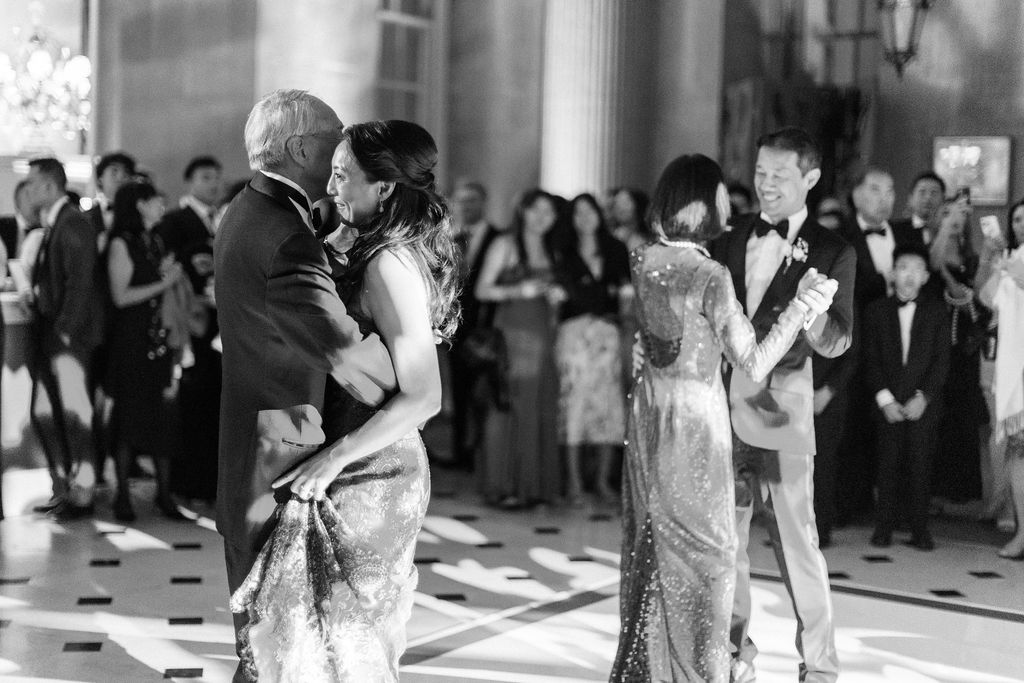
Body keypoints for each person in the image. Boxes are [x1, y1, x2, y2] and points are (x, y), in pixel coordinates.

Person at [231, 119, 454, 680]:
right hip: (340, 456)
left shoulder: (392, 263)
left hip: (375, 469)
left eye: (342, 176)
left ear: (383, 188)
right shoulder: (346, 240)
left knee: (347, 637)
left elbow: (425, 395)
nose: (331, 188)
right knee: (310, 634)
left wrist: (334, 459)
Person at [611, 153, 836, 681]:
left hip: (648, 416)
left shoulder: (642, 260)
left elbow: (653, 336)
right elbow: (753, 360)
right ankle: (701, 668)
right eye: (719, 193)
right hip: (695, 423)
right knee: (708, 554)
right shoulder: (710, 273)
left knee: (653, 542)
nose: (729, 201)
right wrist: (801, 307)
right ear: (701, 201)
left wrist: (641, 351)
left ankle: (650, 667)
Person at [213, 90, 395, 682]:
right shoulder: (284, 236)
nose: (344, 148)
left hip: (251, 442)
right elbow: (346, 356)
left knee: (272, 644)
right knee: (278, 648)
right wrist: (414, 367)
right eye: (334, 137)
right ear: (298, 148)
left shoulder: (249, 209)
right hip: (279, 459)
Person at [711, 127, 855, 683]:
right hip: (723, 410)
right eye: (760, 173)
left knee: (799, 545)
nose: (766, 185)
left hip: (784, 415)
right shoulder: (730, 237)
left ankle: (819, 667)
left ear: (811, 179)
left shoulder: (832, 249)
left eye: (780, 176)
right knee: (730, 544)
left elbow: (839, 339)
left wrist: (812, 308)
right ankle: (731, 653)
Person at [24, 157, 106, 521]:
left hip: (68, 338)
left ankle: (83, 493)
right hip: (56, 334)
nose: (27, 190)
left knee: (75, 416)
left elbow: (81, 282)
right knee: (46, 413)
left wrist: (66, 330)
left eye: (32, 183)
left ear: (49, 185)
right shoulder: (59, 221)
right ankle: (68, 487)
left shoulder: (72, 221)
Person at [104, 180, 188, 522]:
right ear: (139, 204)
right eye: (156, 200)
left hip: (158, 340)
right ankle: (122, 496)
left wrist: (164, 275)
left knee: (163, 419)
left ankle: (164, 495)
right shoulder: (121, 244)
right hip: (131, 342)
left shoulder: (154, 240)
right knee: (129, 419)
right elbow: (121, 296)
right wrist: (164, 282)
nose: (161, 206)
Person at [475, 188, 565, 508]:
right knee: (512, 404)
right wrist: (519, 289)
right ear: (523, 211)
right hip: (513, 334)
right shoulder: (505, 244)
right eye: (537, 210)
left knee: (540, 405)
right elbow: (481, 290)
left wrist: (554, 295)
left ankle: (536, 487)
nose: (543, 218)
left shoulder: (551, 248)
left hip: (543, 334)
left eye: (550, 212)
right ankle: (507, 485)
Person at [863, 243, 950, 550]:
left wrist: (923, 397)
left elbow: (941, 361)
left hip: (922, 405)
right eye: (902, 268)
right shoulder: (875, 311)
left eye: (916, 269)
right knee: (886, 465)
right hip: (887, 403)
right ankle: (883, 527)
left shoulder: (938, 312)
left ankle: (920, 529)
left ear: (926, 276)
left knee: (920, 466)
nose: (909, 275)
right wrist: (885, 399)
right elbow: (870, 360)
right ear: (892, 274)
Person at [553, 193, 630, 506]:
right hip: (574, 335)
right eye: (578, 213)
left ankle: (601, 480)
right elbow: (560, 298)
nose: (585, 218)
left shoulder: (615, 248)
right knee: (574, 404)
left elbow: (624, 293)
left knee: (609, 407)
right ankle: (573, 481)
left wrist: (623, 324)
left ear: (599, 214)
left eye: (590, 211)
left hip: (608, 334)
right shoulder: (562, 251)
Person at [929, 197, 989, 508]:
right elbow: (933, 264)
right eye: (948, 213)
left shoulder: (969, 254)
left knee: (963, 412)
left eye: (960, 216)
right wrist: (946, 226)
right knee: (938, 408)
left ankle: (959, 490)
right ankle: (932, 491)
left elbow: (979, 291)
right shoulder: (934, 245)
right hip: (937, 337)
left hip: (965, 341)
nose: (955, 220)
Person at [978, 198, 1024, 558]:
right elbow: (987, 297)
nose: (1023, 224)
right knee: (1018, 452)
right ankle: (1021, 531)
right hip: (1014, 369)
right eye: (1019, 219)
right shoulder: (1013, 258)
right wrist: (996, 265)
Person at [449, 180, 501, 469]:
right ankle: (461, 453)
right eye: (461, 200)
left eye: (472, 200)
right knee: (460, 391)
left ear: (484, 203)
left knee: (487, 393)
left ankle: (485, 452)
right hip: (455, 330)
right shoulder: (448, 239)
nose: (466, 206)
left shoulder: (499, 238)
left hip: (487, 328)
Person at [157, 155, 224, 258]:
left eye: (217, 177)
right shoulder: (173, 220)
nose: (214, 183)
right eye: (206, 178)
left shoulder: (225, 216)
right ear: (189, 182)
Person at [87, 151, 137, 245]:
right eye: (114, 171)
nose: (120, 178)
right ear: (100, 179)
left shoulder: (138, 216)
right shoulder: (85, 217)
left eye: (126, 173)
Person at [893, 171, 946, 246]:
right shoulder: (895, 231)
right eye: (922, 192)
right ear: (910, 199)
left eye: (934, 192)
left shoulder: (950, 231)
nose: (928, 198)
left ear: (943, 199)